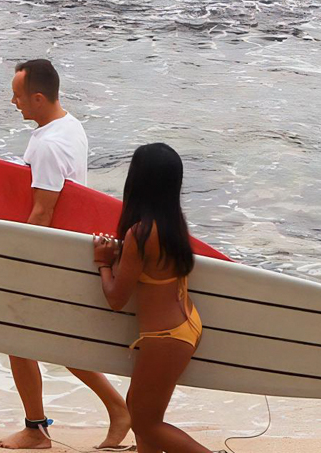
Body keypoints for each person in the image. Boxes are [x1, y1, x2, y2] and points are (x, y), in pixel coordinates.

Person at [0, 59, 131, 450]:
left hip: (50, 253)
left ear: (37, 98)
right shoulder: (68, 125)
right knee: (53, 341)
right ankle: (113, 410)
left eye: (18, 96)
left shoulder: (49, 145)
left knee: (18, 335)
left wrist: (16, 259)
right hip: (69, 247)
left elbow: (43, 211)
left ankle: (37, 430)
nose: (13, 101)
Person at [93, 144, 211, 453]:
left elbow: (116, 298)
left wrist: (103, 262)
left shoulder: (141, 234)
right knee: (138, 407)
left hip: (166, 337)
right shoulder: (174, 224)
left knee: (145, 423)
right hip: (184, 326)